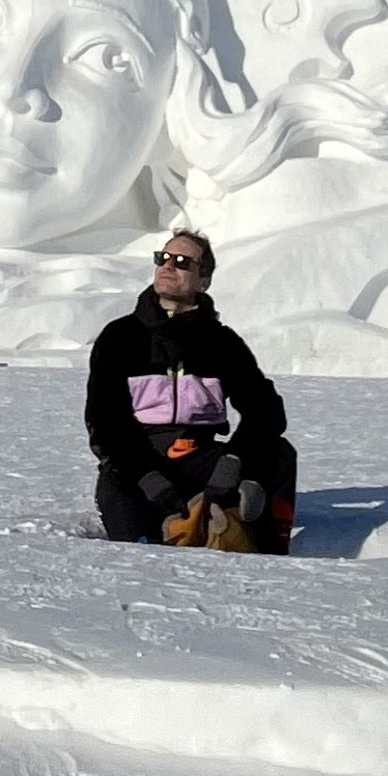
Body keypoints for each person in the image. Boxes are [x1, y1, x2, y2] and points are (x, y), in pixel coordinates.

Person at [85, 230, 298, 552]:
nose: (168, 266)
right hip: (136, 463)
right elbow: (105, 422)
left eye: (182, 262)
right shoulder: (120, 337)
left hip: (201, 459)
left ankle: (265, 553)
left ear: (204, 280)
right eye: (163, 258)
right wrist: (149, 479)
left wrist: (234, 462)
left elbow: (266, 411)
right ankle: (183, 527)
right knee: (139, 546)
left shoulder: (223, 344)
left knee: (280, 455)